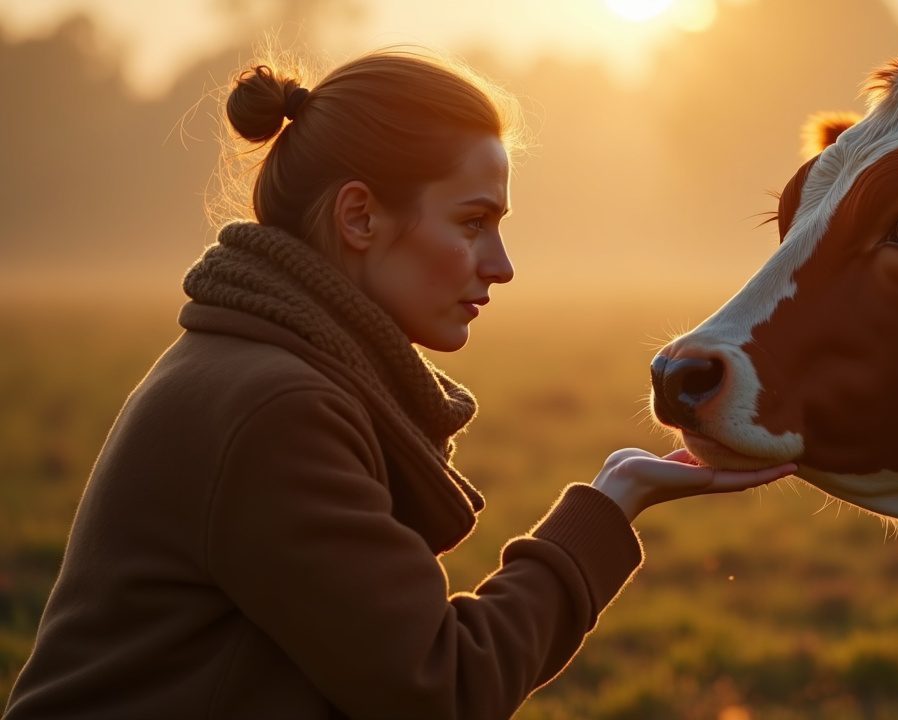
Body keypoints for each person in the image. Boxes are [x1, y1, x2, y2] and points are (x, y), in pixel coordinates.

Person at [2, 49, 796, 719]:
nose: (502, 264)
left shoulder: (268, 368)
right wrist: (611, 505)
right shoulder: (277, 407)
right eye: (473, 221)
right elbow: (442, 687)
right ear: (358, 218)